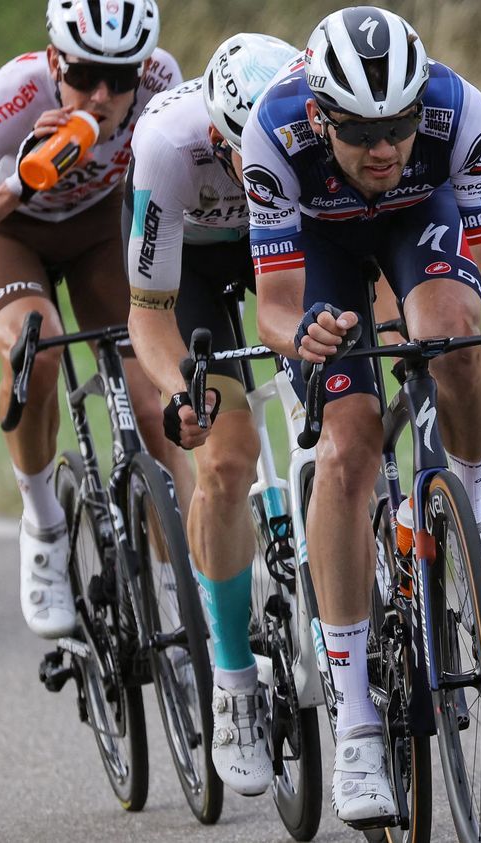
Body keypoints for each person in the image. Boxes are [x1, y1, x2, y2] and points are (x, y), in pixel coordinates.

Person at [240, 6, 481, 826]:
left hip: (415, 228)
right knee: (350, 450)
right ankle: (355, 718)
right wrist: (306, 336)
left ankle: (469, 501)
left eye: (396, 125)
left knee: (455, 338)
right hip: (318, 252)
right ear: (323, 116)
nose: (386, 146)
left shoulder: (457, 110)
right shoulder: (274, 134)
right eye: (361, 131)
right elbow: (274, 309)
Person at [0, 0, 189, 639]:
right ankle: (44, 524)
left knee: (154, 401)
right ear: (54, 61)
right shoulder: (13, 95)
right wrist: (15, 186)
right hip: (6, 230)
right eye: (83, 75)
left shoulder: (164, 81)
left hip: (96, 235)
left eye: (121, 77)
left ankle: (182, 587)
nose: (103, 95)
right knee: (39, 348)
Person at [124, 32, 299, 798]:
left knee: (337, 405)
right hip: (192, 263)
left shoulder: (308, 124)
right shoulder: (168, 144)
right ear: (216, 133)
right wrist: (178, 391)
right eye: (242, 148)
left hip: (280, 246)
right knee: (225, 460)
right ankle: (233, 678)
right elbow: (149, 314)